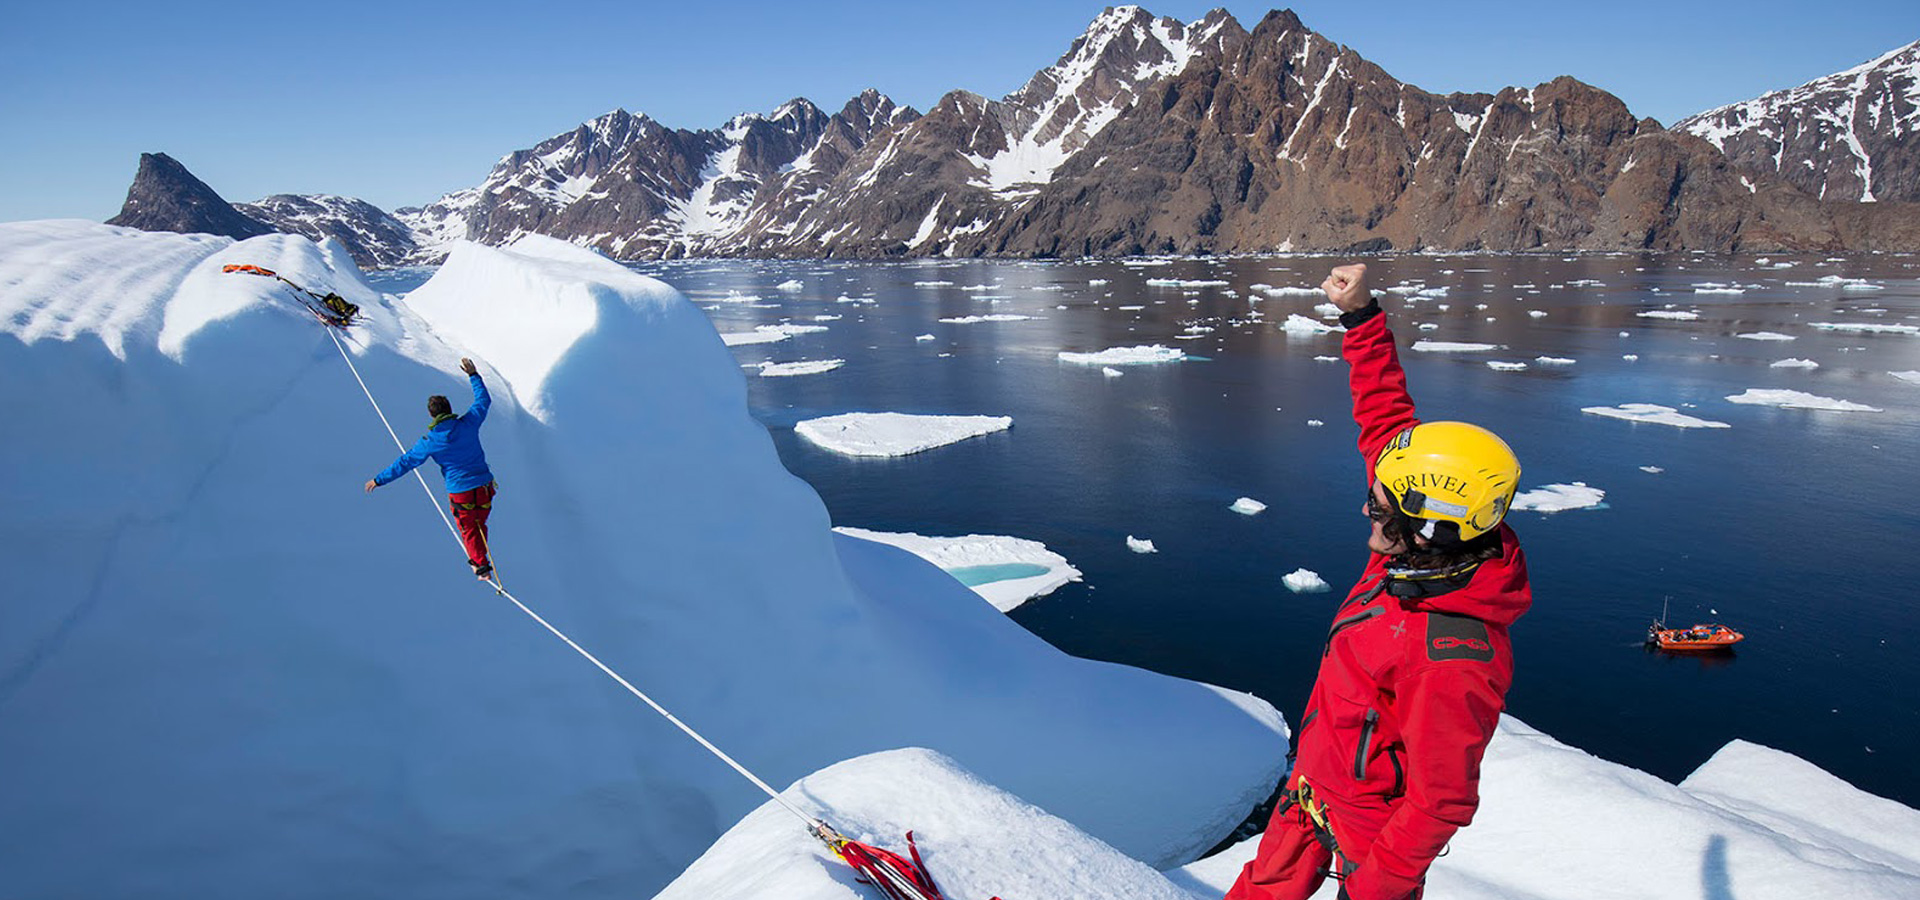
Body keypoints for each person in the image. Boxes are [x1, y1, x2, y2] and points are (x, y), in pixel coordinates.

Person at [1226, 263, 1532, 900]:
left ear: (1435, 529)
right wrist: (1361, 317)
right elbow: (1386, 424)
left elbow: (1441, 800)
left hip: (1373, 827)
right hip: (1312, 783)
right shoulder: (1408, 559)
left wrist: (1377, 886)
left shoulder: (1452, 653)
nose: (1367, 511)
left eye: (1383, 509)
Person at [364, 358, 498, 581]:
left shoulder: (430, 441)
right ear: (449, 410)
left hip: (461, 491)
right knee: (478, 523)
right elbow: (483, 401)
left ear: (431, 415)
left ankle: (481, 567)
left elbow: (405, 463)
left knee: (469, 528)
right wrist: (473, 375)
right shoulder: (468, 423)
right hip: (484, 486)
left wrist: (379, 480)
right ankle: (480, 560)